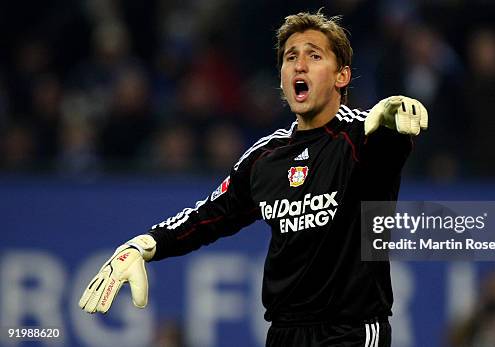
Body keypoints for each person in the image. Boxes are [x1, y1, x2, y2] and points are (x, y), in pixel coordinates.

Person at [78, 10, 427, 346]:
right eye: (290, 57)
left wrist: (391, 119)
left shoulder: (362, 137)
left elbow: (387, 149)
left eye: (314, 56)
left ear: (342, 76)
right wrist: (146, 244)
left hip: (350, 331)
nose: (299, 65)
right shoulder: (265, 158)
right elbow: (208, 217)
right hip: (283, 333)